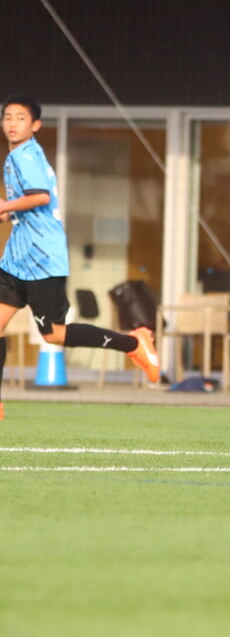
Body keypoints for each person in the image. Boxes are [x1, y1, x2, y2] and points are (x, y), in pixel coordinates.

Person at [0, 94, 160, 418]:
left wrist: (5, 206)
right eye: (8, 117)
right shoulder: (19, 155)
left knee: (54, 334)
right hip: (18, 258)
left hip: (42, 259)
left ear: (36, 125)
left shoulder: (25, 156)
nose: (12, 123)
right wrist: (10, 213)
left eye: (21, 118)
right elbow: (34, 202)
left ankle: (134, 343)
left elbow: (40, 196)